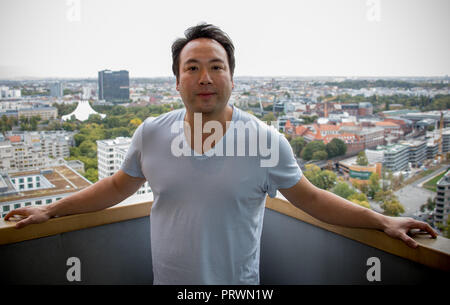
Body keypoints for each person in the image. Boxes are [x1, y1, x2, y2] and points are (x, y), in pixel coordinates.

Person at [4, 23, 437, 285]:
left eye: (216, 66)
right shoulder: (151, 134)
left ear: (233, 77)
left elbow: (314, 199)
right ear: (176, 81)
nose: (205, 77)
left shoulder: (266, 141)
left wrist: (383, 220)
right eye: (192, 67)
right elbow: (117, 187)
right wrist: (52, 210)